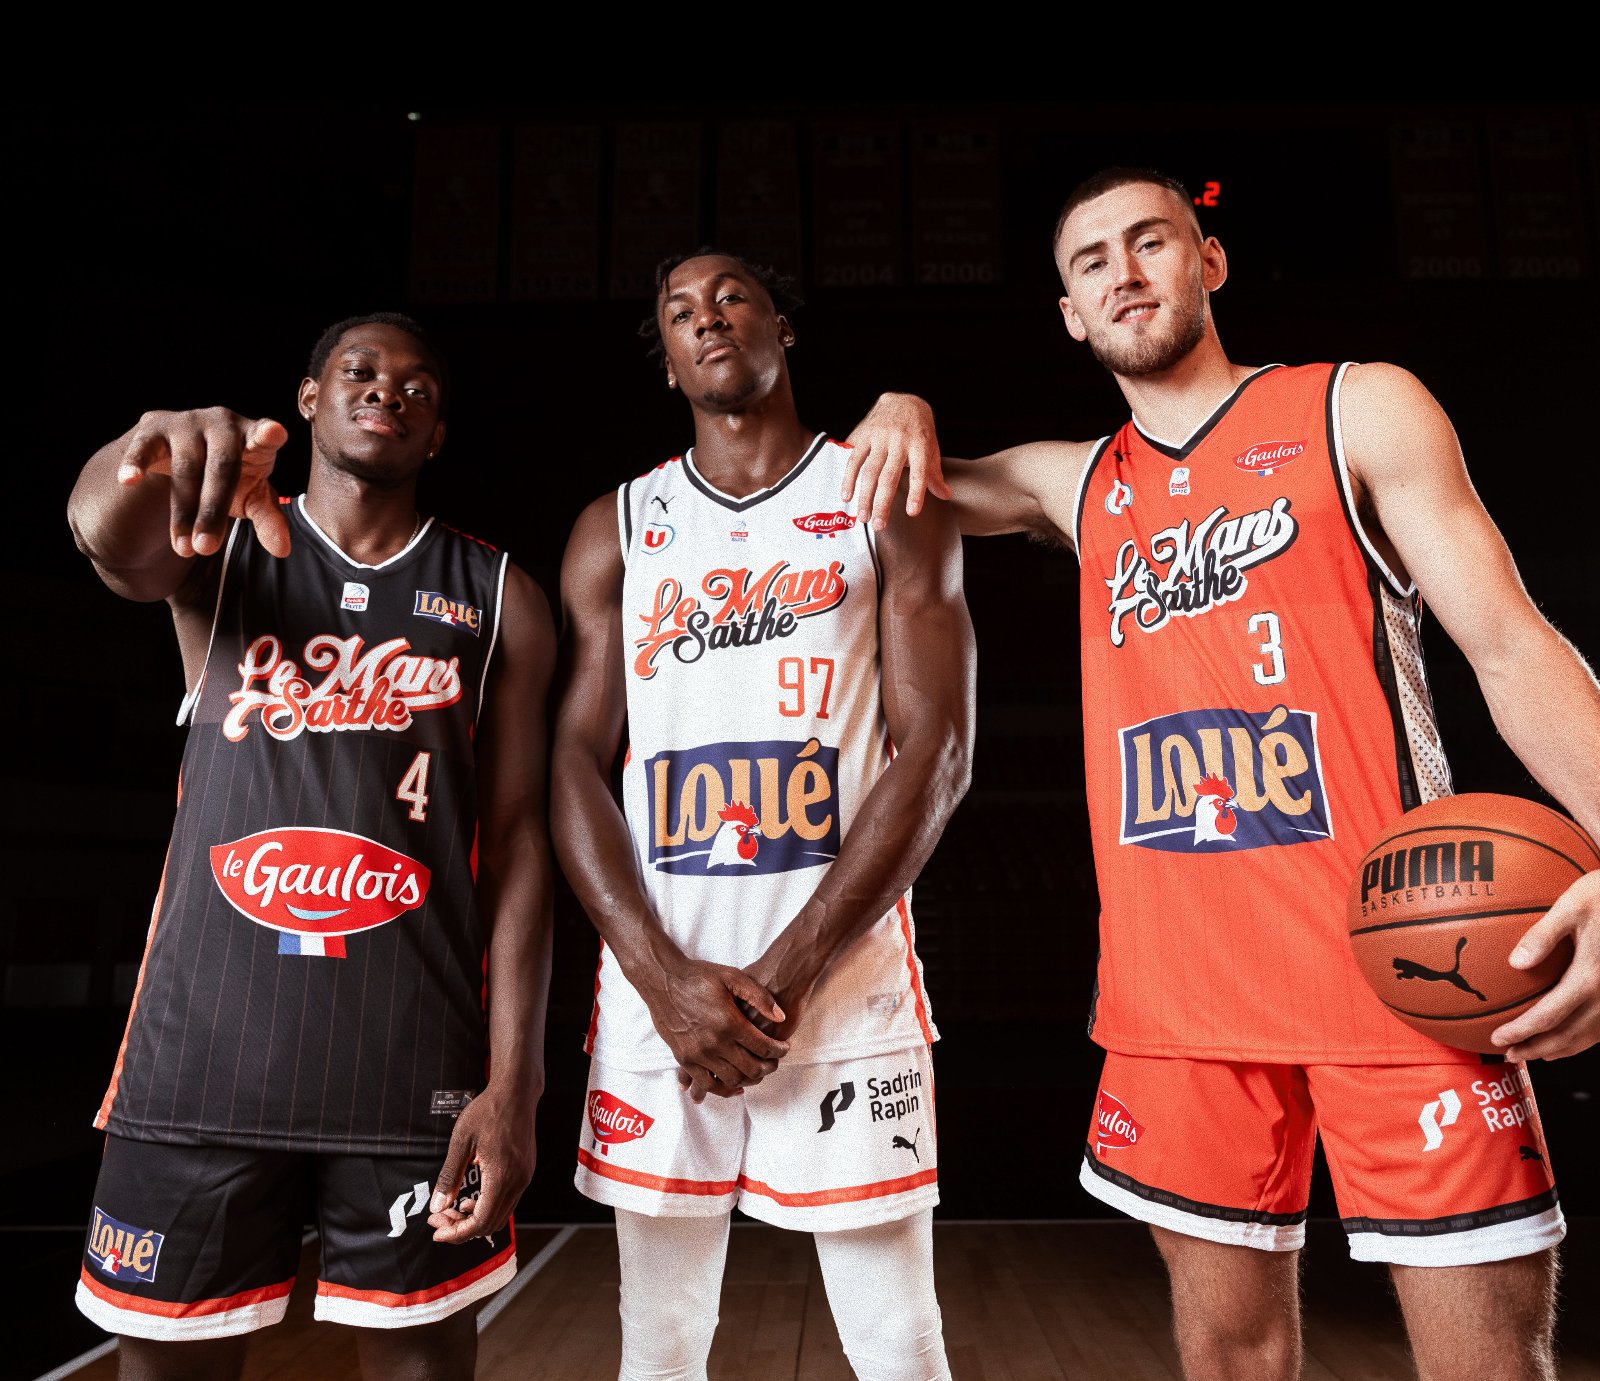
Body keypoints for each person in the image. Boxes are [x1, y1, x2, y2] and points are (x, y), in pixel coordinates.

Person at [841, 168, 1600, 1381]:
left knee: (1489, 1366)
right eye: (1091, 262)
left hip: (1400, 960)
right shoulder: (1074, 482)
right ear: (1070, 315)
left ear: (1209, 262)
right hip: (1180, 1000)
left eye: (1150, 242)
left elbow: (1509, 645)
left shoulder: (1357, 409)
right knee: (1228, 1356)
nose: (1123, 272)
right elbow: (903, 482)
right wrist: (901, 400)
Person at [67, 314, 556, 1381]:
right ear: (307, 399)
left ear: (438, 434)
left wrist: (515, 1085)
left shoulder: (499, 595)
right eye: (360, 371)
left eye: (419, 385)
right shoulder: (223, 542)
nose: (388, 390)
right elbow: (107, 538)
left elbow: (521, 843)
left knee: (423, 1368)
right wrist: (147, 452)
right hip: (202, 1055)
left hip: (411, 1064)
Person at [550, 251, 976, 1381]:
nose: (708, 318)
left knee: (896, 1340)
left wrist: (781, 976)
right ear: (667, 359)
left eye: (732, 296)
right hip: (662, 997)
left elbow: (939, 753)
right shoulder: (617, 525)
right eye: (680, 311)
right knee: (660, 1340)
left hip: (841, 985)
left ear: (782, 324)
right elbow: (573, 765)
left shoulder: (882, 496)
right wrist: (658, 979)